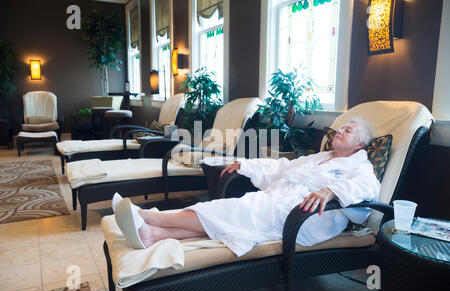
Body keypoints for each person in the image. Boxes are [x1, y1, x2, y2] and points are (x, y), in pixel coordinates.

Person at [113, 117, 381, 257]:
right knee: (234, 212)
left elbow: (367, 188)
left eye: (348, 131)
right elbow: (281, 167)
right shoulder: (319, 157)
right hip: (283, 203)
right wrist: (245, 165)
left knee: (238, 208)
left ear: (359, 145)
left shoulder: (360, 167)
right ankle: (153, 234)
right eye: (340, 129)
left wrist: (332, 191)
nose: (339, 133)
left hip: (310, 219)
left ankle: (150, 215)